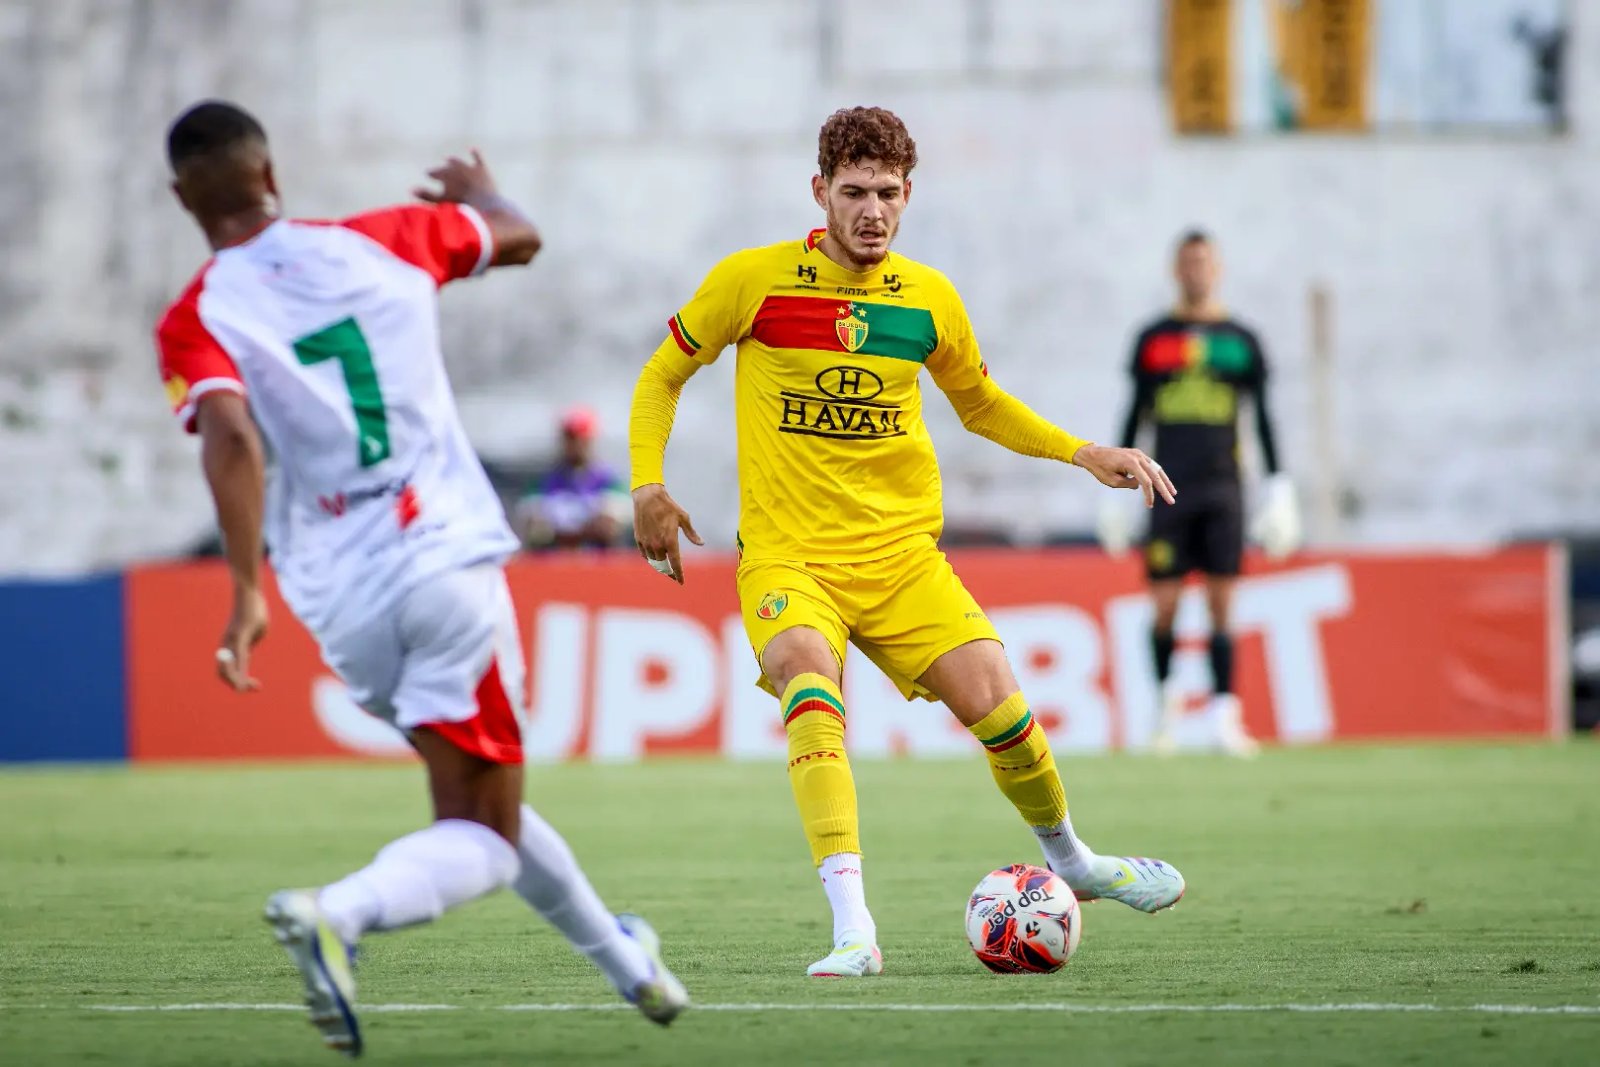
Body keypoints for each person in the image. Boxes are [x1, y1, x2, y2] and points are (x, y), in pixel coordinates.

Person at [154, 101, 686, 1056]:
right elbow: (520, 236)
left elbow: (228, 437)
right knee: (482, 834)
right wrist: (482, 193)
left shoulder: (195, 315)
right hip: (440, 560)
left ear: (181, 199)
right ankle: (338, 914)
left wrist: (245, 592)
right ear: (270, 175)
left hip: (342, 603)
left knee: (487, 802)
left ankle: (631, 966)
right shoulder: (383, 240)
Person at [628, 106, 1186, 979]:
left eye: (888, 193)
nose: (872, 211)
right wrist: (646, 483)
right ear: (820, 191)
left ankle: (1074, 862)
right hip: (790, 557)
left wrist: (1084, 453)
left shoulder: (929, 298)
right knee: (808, 684)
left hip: (900, 558)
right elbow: (664, 373)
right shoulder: (752, 281)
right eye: (854, 192)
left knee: (1002, 709)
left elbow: (981, 404)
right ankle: (854, 927)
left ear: (909, 194)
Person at [1100, 230, 1300, 757]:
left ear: (1218, 269)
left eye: (1204, 262)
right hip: (1166, 488)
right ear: (1176, 270)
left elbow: (1262, 419)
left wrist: (1278, 488)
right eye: (1188, 263)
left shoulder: (1241, 340)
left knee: (1222, 604)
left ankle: (1223, 716)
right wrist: (1115, 487)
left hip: (1223, 488)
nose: (1196, 272)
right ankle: (1165, 711)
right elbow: (1134, 414)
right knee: (1164, 605)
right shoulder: (1154, 339)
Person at [514, 406, 629, 550]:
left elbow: (607, 529)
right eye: (570, 438)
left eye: (581, 438)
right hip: (553, 560)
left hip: (599, 560)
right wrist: (585, 530)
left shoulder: (611, 481)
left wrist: (558, 531)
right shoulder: (542, 482)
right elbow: (535, 531)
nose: (576, 445)